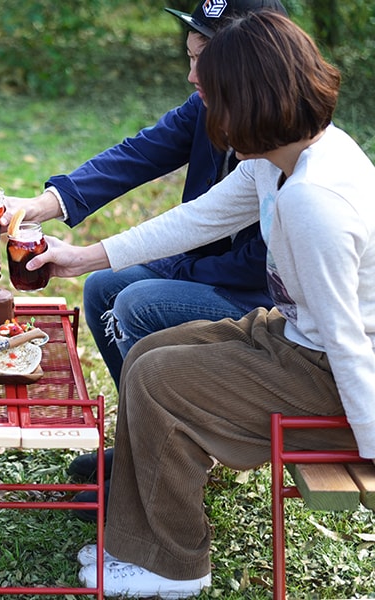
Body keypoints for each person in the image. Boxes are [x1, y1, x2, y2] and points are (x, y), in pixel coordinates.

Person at [30, 11, 375, 597]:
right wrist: (85, 257)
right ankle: (140, 543)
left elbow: (346, 338)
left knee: (163, 379)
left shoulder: (316, 200)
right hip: (295, 338)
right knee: (148, 357)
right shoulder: (278, 161)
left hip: (333, 373)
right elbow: (200, 217)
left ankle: (174, 566)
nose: (199, 100)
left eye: (209, 92)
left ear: (248, 97)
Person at [7, 0, 287, 520]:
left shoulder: (284, 146)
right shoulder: (207, 108)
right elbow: (138, 155)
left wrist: (150, 266)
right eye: (190, 54)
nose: (191, 74)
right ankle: (146, 445)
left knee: (137, 300)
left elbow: (257, 266)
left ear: (249, 60)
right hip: (202, 267)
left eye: (204, 58)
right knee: (102, 288)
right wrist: (44, 207)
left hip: (258, 298)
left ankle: (169, 459)